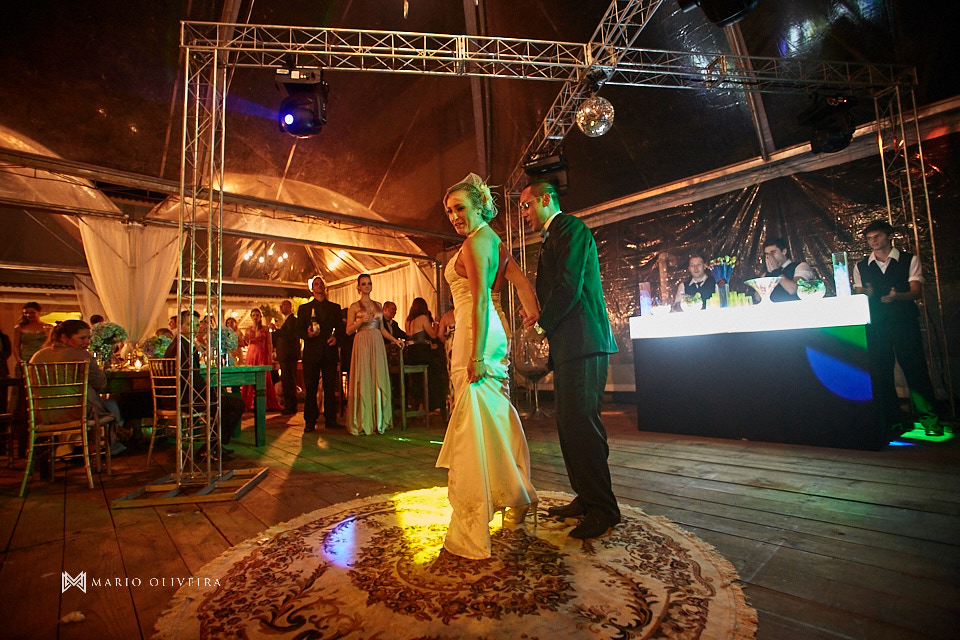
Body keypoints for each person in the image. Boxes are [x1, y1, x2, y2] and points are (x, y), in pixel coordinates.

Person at [437, 173, 540, 559]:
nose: (453, 216)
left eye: (459, 208)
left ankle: (476, 518)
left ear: (479, 205)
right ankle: (515, 496)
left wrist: (476, 355)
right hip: (490, 328)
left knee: (475, 422)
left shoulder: (476, 242)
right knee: (492, 415)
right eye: (449, 211)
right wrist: (532, 314)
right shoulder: (494, 240)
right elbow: (520, 281)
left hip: (476, 331)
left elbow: (479, 300)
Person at [519, 179, 620, 540]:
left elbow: (569, 284)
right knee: (569, 426)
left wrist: (541, 326)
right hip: (570, 347)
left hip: (585, 343)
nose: (525, 214)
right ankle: (588, 497)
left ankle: (604, 509)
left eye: (527, 205)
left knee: (583, 426)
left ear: (546, 199)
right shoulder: (553, 234)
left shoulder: (570, 227)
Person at [853, 219, 942, 436]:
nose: (873, 241)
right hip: (876, 324)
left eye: (877, 236)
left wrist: (897, 296)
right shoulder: (861, 265)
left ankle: (930, 420)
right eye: (869, 238)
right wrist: (868, 293)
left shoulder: (908, 259)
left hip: (904, 322)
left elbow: (916, 291)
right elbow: (858, 292)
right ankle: (893, 420)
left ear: (888, 236)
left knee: (915, 369)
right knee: (882, 371)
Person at [30, 320, 126, 456]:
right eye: (82, 338)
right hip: (76, 413)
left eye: (88, 338)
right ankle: (107, 445)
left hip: (43, 415)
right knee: (112, 402)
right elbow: (101, 384)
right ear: (64, 337)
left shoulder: (37, 356)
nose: (87, 342)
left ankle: (70, 448)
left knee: (92, 398)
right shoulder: (81, 356)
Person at [164, 311, 244, 459]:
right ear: (180, 326)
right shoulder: (184, 348)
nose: (194, 328)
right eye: (190, 324)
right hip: (186, 399)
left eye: (196, 324)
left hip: (179, 396)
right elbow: (191, 380)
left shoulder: (178, 344)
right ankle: (212, 447)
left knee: (222, 402)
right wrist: (210, 390)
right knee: (235, 404)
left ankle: (213, 446)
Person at [345, 274, 404, 435]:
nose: (367, 286)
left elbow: (382, 329)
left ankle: (379, 420)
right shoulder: (354, 307)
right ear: (358, 287)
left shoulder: (378, 305)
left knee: (379, 377)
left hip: (377, 340)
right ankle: (364, 421)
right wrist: (360, 321)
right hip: (362, 340)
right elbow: (348, 330)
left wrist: (394, 340)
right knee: (364, 378)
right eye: (363, 284)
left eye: (369, 283)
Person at [297, 276, 345, 432]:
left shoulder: (335, 308)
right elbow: (298, 330)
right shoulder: (304, 309)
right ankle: (310, 421)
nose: (319, 286)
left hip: (329, 351)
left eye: (321, 283)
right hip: (311, 352)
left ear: (325, 287)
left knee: (330, 387)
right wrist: (307, 334)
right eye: (316, 284)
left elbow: (340, 329)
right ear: (312, 289)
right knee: (310, 388)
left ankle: (331, 419)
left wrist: (335, 338)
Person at [405, 297, 448, 413]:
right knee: (437, 372)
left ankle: (418, 405)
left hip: (411, 354)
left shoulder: (408, 320)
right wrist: (437, 322)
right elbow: (433, 335)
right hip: (422, 353)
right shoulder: (423, 318)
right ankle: (437, 404)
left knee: (417, 380)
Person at [241, 308, 282, 412]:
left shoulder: (265, 328)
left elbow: (269, 343)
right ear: (251, 317)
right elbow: (245, 342)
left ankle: (265, 402)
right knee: (250, 376)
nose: (255, 317)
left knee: (264, 376)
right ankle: (249, 403)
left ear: (260, 317)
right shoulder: (248, 329)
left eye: (257, 315)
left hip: (262, 353)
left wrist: (269, 357)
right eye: (253, 315)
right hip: (251, 354)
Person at [761, 238, 815, 302]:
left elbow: (793, 289)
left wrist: (776, 271)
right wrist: (768, 275)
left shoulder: (801, 266)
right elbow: (758, 298)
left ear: (784, 251)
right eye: (767, 254)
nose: (770, 257)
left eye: (773, 253)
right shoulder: (766, 273)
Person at [274, 300, 301, 415]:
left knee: (290, 380)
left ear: (290, 307)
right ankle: (288, 404)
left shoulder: (293, 321)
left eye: (283, 305)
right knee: (285, 380)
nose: (281, 307)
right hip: (284, 355)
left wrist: (277, 330)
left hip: (289, 355)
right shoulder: (285, 321)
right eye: (280, 306)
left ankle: (291, 405)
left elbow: (289, 335)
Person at [12, 302, 53, 368]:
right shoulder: (19, 328)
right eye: (25, 313)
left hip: (43, 358)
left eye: (32, 313)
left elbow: (51, 344)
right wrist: (19, 360)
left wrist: (48, 334)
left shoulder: (48, 327)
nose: (28, 315)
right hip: (26, 359)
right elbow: (15, 346)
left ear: (39, 312)